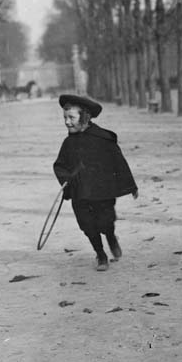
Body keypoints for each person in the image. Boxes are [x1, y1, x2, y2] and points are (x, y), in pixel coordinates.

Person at [53, 94, 138, 271]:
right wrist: (66, 178)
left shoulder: (103, 139)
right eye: (65, 118)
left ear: (84, 117)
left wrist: (131, 186)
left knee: (105, 221)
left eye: (71, 118)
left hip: (102, 192)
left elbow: (119, 162)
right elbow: (59, 165)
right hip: (80, 193)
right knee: (87, 225)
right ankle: (100, 254)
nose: (67, 122)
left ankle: (111, 236)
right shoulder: (68, 143)